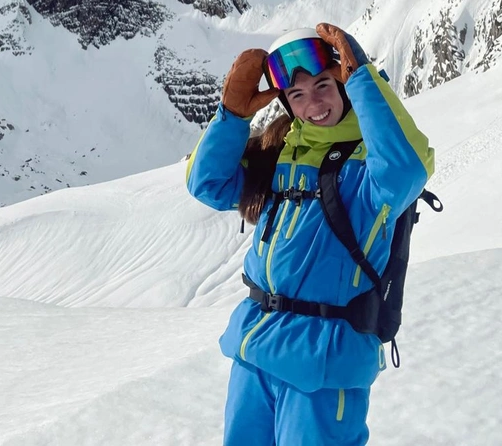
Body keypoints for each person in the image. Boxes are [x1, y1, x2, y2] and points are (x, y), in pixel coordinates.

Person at [185, 23, 434, 445]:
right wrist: (232, 118)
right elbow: (206, 183)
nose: (312, 104)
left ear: (342, 83)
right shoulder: (279, 155)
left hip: (323, 356)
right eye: (296, 95)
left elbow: (407, 168)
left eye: (322, 86)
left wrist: (363, 79)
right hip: (255, 347)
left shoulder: (368, 164)